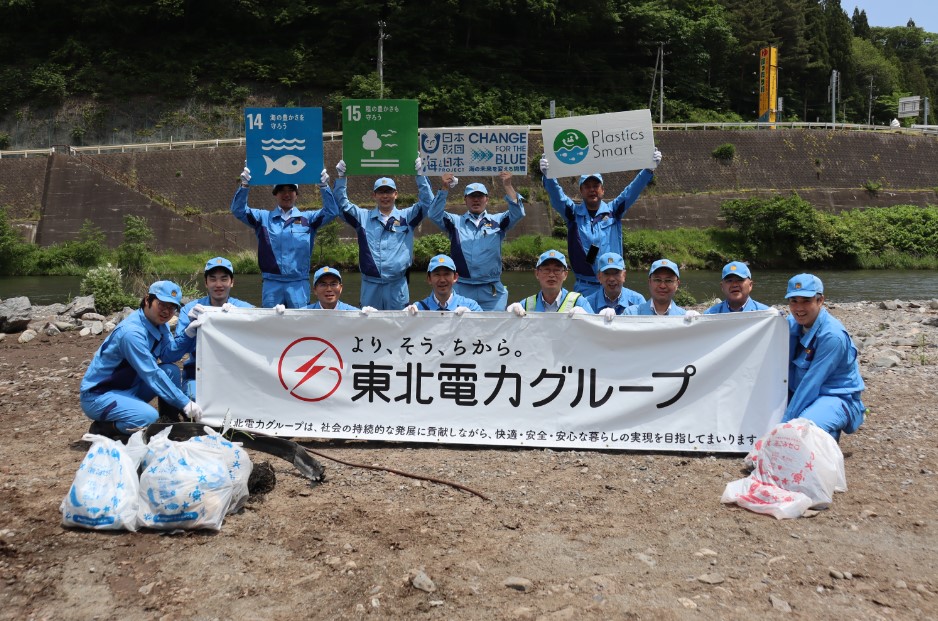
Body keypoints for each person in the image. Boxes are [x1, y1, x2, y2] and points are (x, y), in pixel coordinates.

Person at [80, 280, 204, 437]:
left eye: (172, 307)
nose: (166, 311)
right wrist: (185, 403)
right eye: (162, 304)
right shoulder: (131, 333)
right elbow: (151, 373)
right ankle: (103, 428)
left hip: (130, 385)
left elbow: (169, 355)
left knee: (170, 370)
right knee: (147, 418)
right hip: (100, 395)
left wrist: (188, 334)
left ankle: (168, 421)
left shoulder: (160, 324)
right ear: (147, 300)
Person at [538, 149, 662, 296]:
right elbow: (557, 196)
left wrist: (648, 169)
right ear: (581, 191)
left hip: (612, 284)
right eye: (587, 186)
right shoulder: (573, 214)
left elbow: (632, 191)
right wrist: (548, 175)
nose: (592, 190)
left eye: (596, 186)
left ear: (602, 190)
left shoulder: (614, 211)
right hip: (585, 287)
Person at [332, 157, 434, 310]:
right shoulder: (362, 217)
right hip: (370, 286)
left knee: (398, 328)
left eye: (389, 192)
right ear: (374, 195)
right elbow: (341, 205)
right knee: (370, 329)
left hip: (397, 286)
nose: (385, 196)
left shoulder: (408, 217)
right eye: (380, 192)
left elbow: (428, 203)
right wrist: (341, 178)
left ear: (396, 194)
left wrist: (420, 175)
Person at [231, 166, 340, 309]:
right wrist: (244, 186)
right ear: (275, 194)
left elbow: (332, 211)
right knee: (272, 326)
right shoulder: (263, 218)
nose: (286, 194)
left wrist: (324, 186)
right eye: (282, 190)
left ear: (296, 194)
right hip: (271, 284)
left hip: (298, 284)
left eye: (291, 190)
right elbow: (238, 210)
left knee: (300, 326)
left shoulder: (309, 219)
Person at [783, 274, 865, 440]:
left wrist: (782, 426)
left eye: (806, 300)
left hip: (836, 398)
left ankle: (827, 428)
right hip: (804, 393)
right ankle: (828, 433)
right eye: (794, 301)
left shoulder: (832, 336)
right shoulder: (791, 323)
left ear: (820, 301)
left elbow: (811, 383)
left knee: (799, 430)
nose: (799, 308)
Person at [426, 171, 524, 311]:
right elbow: (433, 214)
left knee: (492, 330)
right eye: (472, 196)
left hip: (492, 290)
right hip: (461, 289)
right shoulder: (455, 222)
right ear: (465, 200)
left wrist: (508, 185)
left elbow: (518, 213)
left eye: (480, 196)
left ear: (487, 199)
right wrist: (444, 188)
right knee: (461, 331)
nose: (476, 200)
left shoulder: (498, 221)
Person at [176, 257, 253, 400]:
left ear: (232, 282)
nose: (218, 284)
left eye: (224, 279)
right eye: (213, 279)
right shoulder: (190, 310)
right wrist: (189, 332)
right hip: (198, 372)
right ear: (206, 282)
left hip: (235, 372)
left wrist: (277, 315)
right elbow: (176, 352)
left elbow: (262, 334)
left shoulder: (245, 308)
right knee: (196, 398)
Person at [506, 250, 593, 315]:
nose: (551, 275)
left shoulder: (579, 302)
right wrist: (509, 317)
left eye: (557, 270)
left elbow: (596, 333)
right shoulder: (526, 304)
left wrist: (587, 319)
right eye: (546, 270)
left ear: (565, 275)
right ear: (537, 273)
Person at [406, 254, 483, 314]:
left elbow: (486, 329)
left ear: (455, 277)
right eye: (437, 274)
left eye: (447, 274)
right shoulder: (418, 308)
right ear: (429, 279)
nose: (442, 280)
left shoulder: (471, 306)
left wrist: (473, 318)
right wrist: (404, 317)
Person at [586, 251, 646, 321]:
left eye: (616, 273)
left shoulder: (638, 301)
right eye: (606, 273)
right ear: (599, 277)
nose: (611, 279)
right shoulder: (588, 303)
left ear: (624, 275)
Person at [623, 259, 687, 316]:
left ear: (677, 284)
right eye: (657, 280)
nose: (662, 286)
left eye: (668, 280)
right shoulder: (631, 314)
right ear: (649, 282)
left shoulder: (684, 318)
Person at [704, 261, 770, 314]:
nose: (734, 285)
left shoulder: (766, 314)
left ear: (750, 285)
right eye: (729, 281)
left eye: (740, 280)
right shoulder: (709, 315)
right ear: (722, 287)